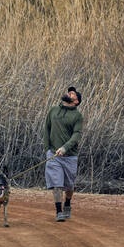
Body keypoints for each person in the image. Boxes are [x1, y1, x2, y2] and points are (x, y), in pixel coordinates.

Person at [44, 86, 83, 221]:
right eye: (69, 92)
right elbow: (46, 128)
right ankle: (59, 211)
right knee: (57, 184)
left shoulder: (77, 116)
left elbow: (77, 134)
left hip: (70, 156)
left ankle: (67, 203)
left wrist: (65, 148)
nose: (69, 94)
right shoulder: (53, 110)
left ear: (76, 101)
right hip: (53, 155)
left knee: (69, 186)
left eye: (73, 94)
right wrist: (48, 148)